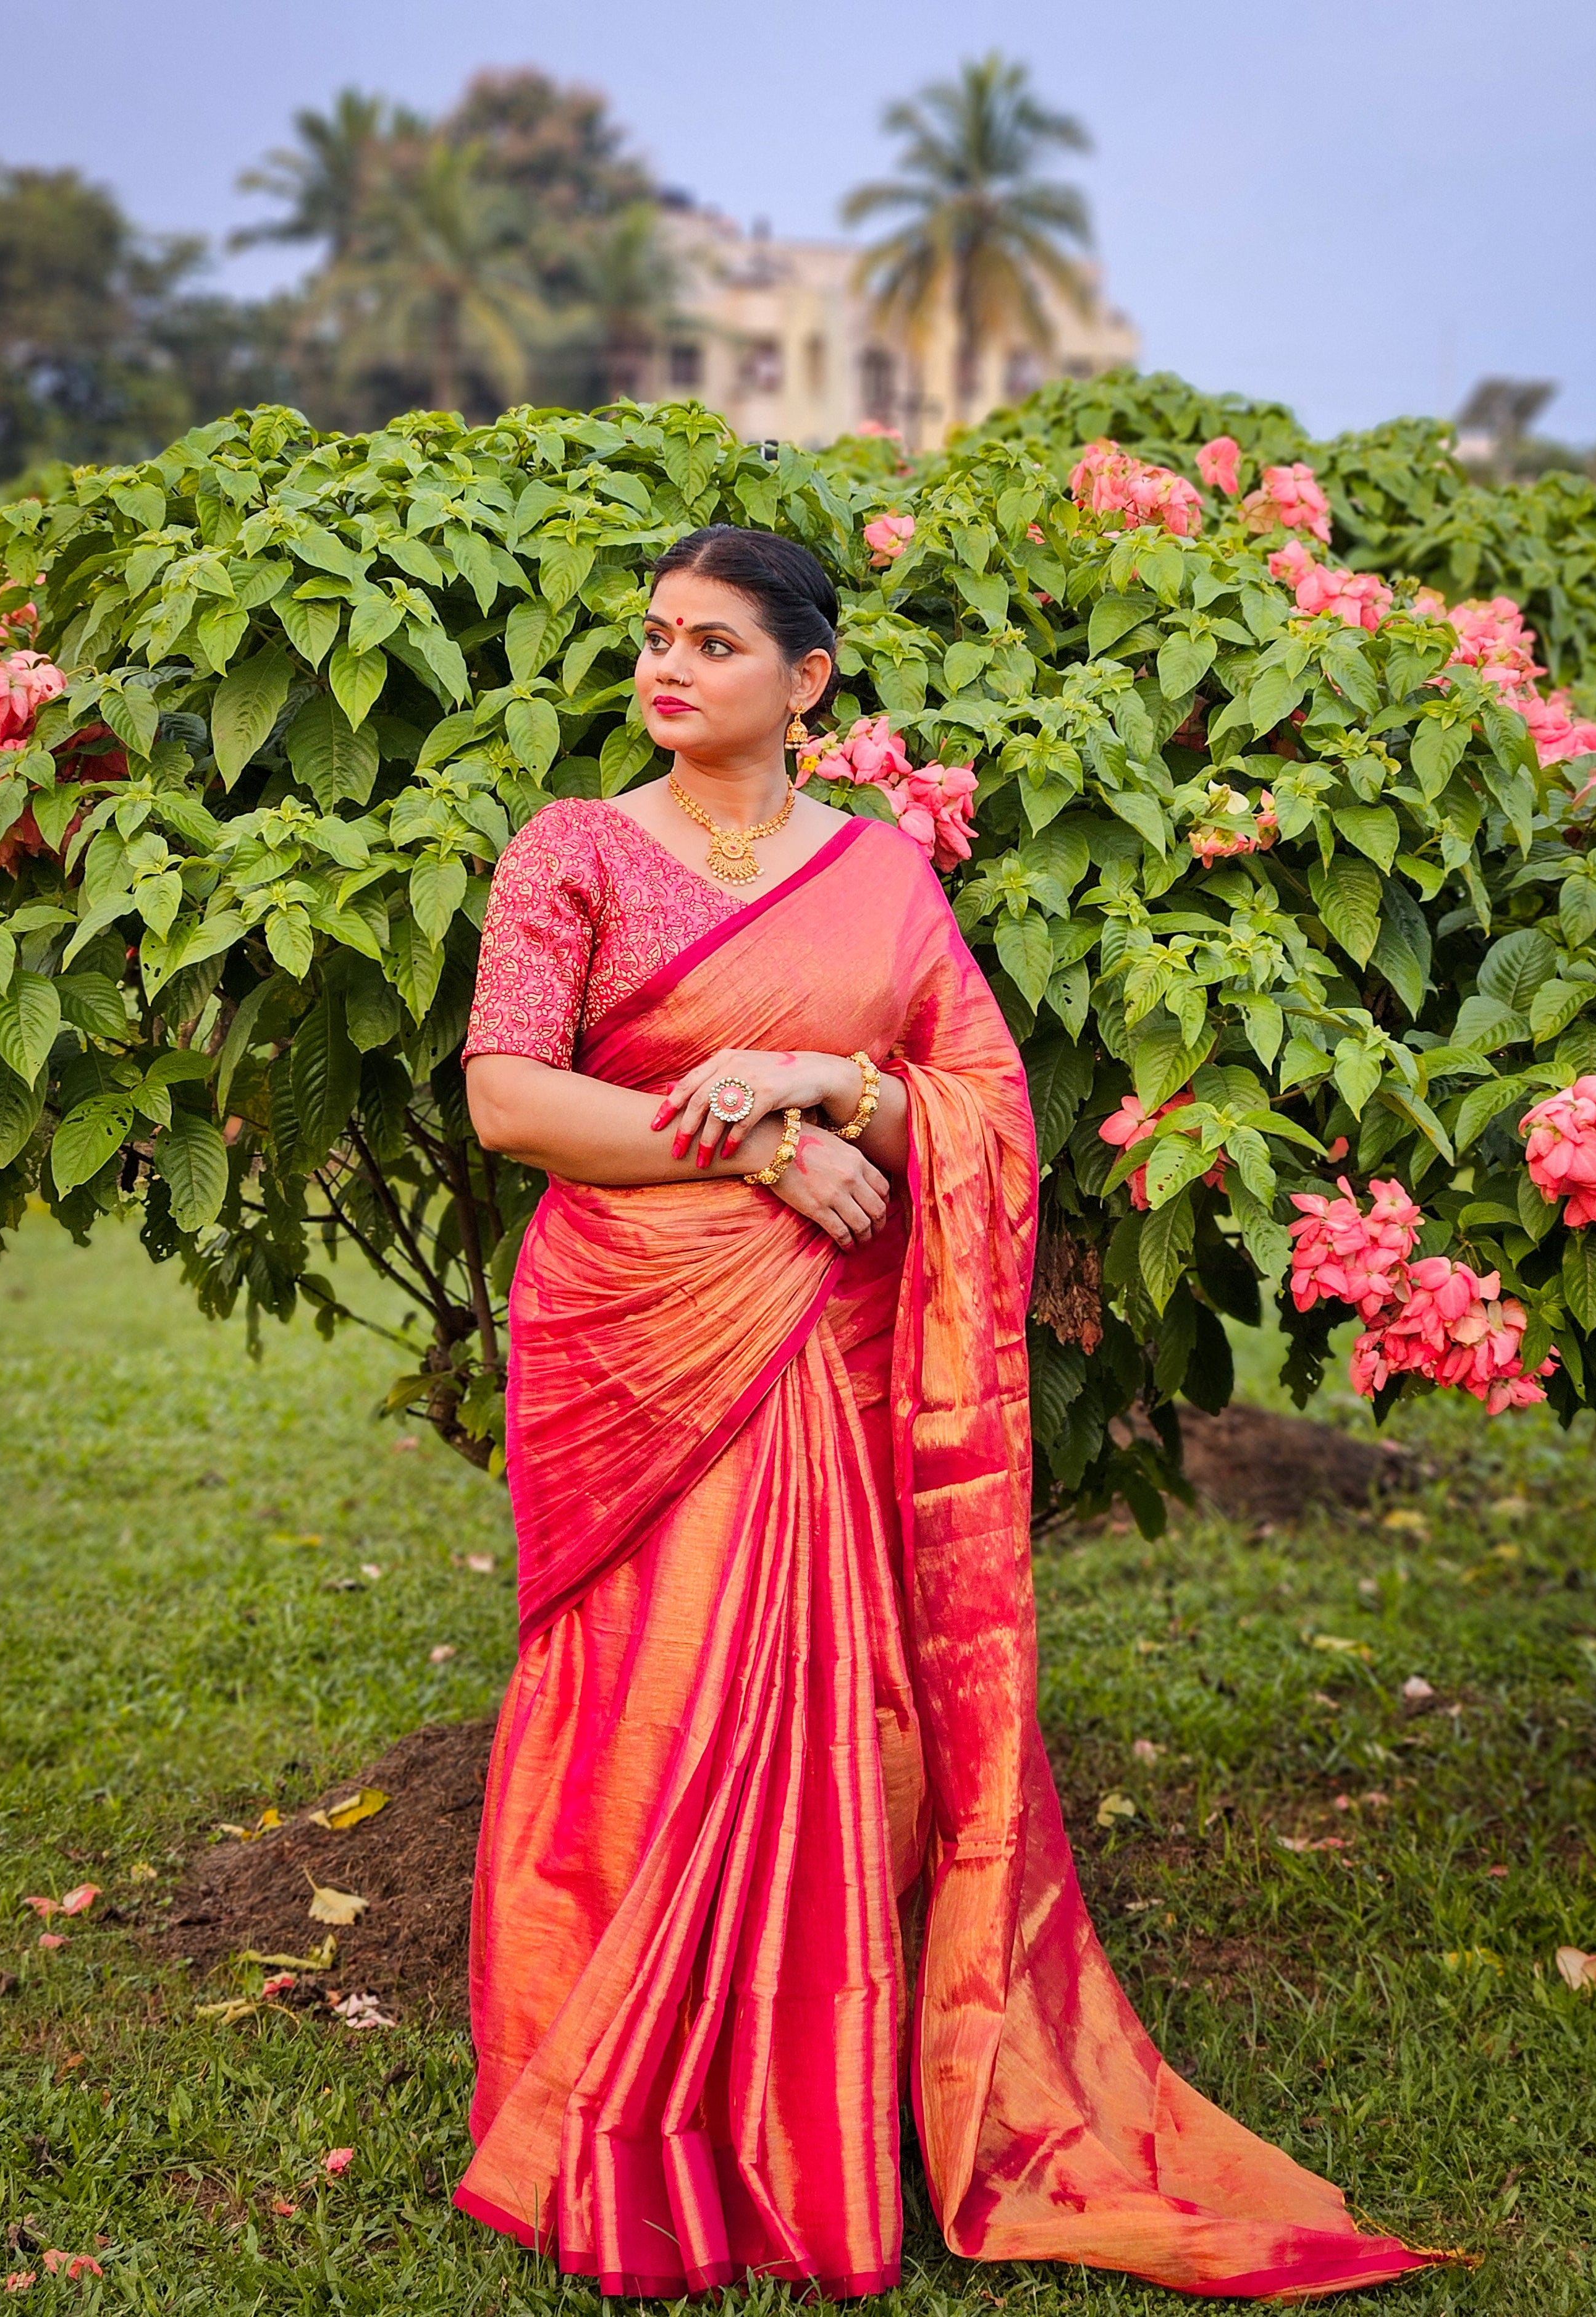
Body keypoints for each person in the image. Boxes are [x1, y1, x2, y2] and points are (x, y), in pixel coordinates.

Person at [456, 524, 1435, 2299]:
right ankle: (603, 2089)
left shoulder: (883, 878)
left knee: (833, 1706)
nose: (667, 670)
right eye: (656, 640)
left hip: (821, 1343)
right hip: (636, 1335)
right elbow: (515, 1103)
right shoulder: (576, 848)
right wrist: (756, 1143)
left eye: (715, 645)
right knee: (646, 1696)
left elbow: (972, 1112)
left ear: (808, 681)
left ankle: (808, 2105)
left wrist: (836, 1082)